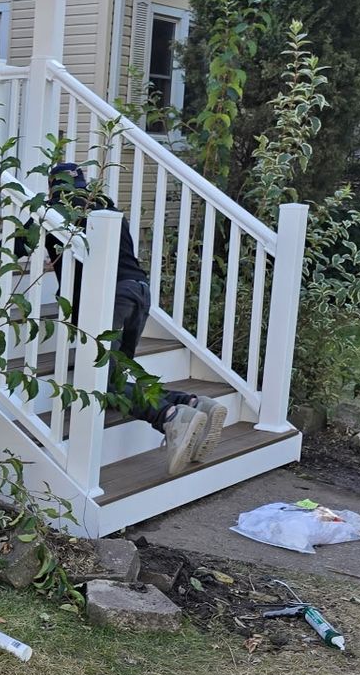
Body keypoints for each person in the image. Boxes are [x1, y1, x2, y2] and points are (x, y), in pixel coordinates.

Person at [40, 163, 226, 476]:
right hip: (138, 291)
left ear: (51, 189)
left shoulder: (54, 212)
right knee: (111, 380)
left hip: (110, 298)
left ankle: (168, 415)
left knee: (99, 384)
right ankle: (192, 403)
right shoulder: (106, 208)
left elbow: (15, 244)